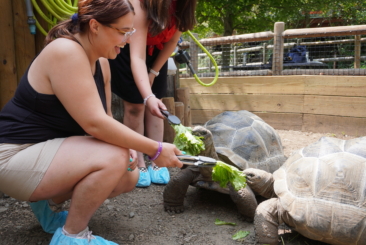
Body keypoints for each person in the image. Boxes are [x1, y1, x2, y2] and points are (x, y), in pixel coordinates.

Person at [0, 0, 183, 244]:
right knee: (113, 157)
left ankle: (47, 206)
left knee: (128, 174)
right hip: (13, 156)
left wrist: (129, 149)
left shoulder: (103, 63)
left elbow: (106, 119)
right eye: (122, 32)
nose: (127, 40)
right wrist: (155, 148)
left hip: (46, 152)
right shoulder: (65, 51)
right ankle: (71, 236)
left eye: (131, 32)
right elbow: (94, 125)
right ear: (95, 26)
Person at [108, 0, 197, 187]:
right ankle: (138, 161)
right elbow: (136, 56)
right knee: (134, 106)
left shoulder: (185, 5)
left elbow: (173, 41)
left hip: (157, 52)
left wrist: (154, 72)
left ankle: (157, 159)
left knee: (158, 104)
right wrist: (147, 96)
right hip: (128, 50)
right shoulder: (141, 4)